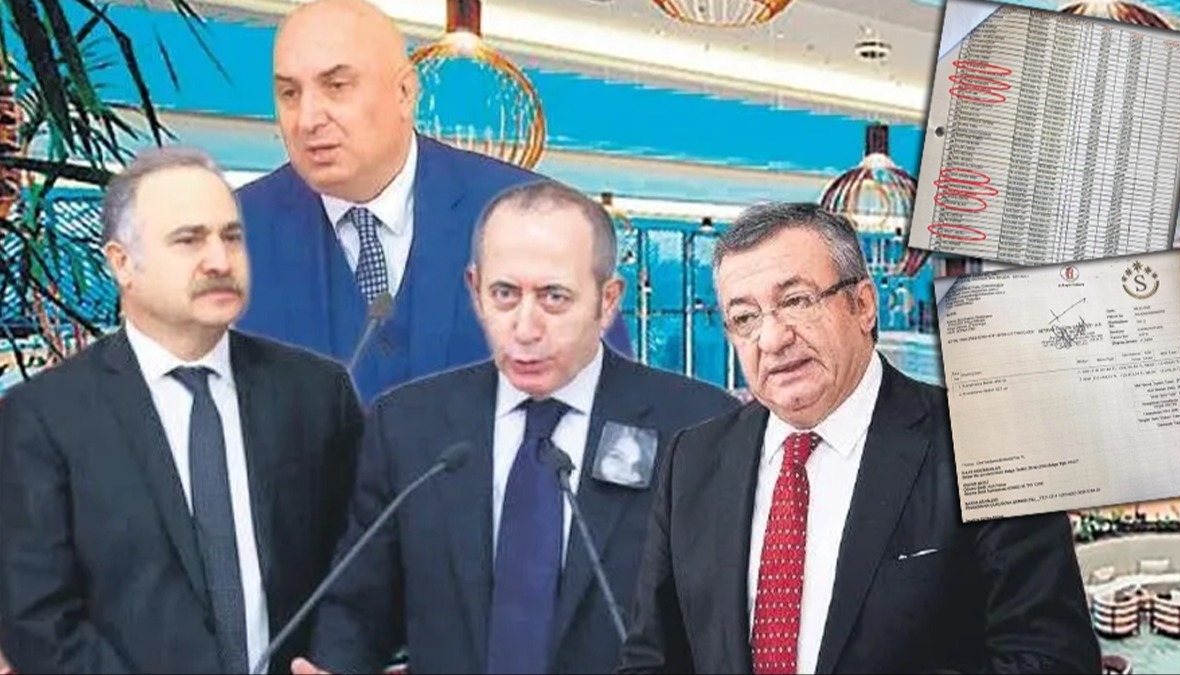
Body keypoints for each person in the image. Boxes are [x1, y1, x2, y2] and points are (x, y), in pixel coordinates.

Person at [617, 203, 1101, 674]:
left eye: (796, 301)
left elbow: (1053, 660)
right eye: (745, 318)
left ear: (863, 304)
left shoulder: (989, 443)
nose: (772, 339)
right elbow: (651, 660)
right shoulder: (693, 459)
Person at [290, 181, 739, 675]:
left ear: (607, 301)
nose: (525, 329)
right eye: (504, 294)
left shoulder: (698, 426)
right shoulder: (408, 426)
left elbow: (725, 622)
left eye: (554, 297)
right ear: (475, 290)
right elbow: (358, 607)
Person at [0, 147, 363, 673]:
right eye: (189, 240)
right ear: (121, 263)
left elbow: (358, 569)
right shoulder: (42, 418)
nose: (220, 261)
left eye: (231, 237)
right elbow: (37, 618)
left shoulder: (316, 394)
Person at [235, 0, 631, 403]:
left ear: (405, 92)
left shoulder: (543, 221)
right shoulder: (233, 230)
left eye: (336, 86)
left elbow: (616, 405)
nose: (307, 119)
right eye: (289, 93)